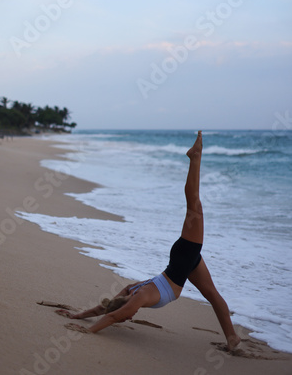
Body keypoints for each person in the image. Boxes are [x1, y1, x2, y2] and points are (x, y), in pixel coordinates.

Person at [56, 131, 241, 351]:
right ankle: (232, 338)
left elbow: (112, 315)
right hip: (182, 264)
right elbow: (107, 310)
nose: (130, 316)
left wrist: (86, 328)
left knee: (194, 203)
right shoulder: (130, 291)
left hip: (181, 260)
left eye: (129, 314)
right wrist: (78, 316)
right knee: (213, 295)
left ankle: (195, 158)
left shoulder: (136, 295)